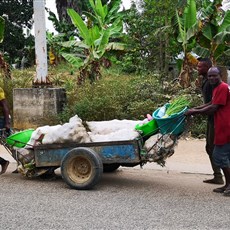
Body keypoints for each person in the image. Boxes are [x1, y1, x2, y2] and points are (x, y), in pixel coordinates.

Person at [185, 67, 230, 196]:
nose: (211, 78)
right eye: (209, 76)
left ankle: (229, 185)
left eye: (214, 76)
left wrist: (194, 112)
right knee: (225, 157)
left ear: (220, 75)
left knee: (219, 156)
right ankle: (227, 184)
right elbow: (211, 102)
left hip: (225, 127)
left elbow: (213, 108)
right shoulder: (218, 88)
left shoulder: (222, 87)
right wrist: (194, 108)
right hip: (222, 125)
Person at [196, 58, 224, 184]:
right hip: (212, 119)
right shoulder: (206, 82)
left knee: (215, 149)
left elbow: (213, 104)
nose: (198, 69)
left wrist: (195, 111)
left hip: (217, 120)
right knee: (210, 147)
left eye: (200, 66)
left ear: (207, 67)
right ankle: (217, 175)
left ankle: (220, 177)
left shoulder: (213, 84)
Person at [0, 87, 11, 174]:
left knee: (10, 143)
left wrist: (7, 123)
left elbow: (4, 105)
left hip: (1, 120)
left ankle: (22, 163)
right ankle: (3, 162)